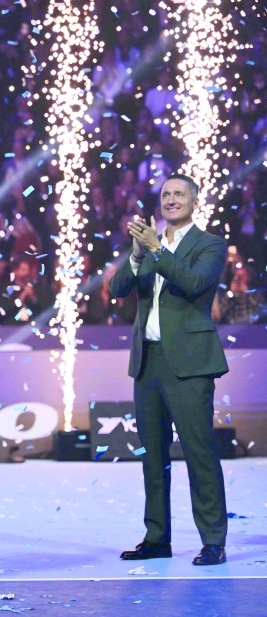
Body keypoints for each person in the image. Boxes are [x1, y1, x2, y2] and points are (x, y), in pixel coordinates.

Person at [110, 174, 229, 566]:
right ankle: (157, 537)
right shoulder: (147, 245)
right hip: (148, 362)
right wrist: (136, 255)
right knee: (153, 455)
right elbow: (117, 289)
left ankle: (213, 540)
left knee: (199, 451)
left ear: (194, 202)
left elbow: (193, 282)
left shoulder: (209, 244)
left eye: (179, 194)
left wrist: (156, 249)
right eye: (166, 195)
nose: (171, 200)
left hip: (191, 363)